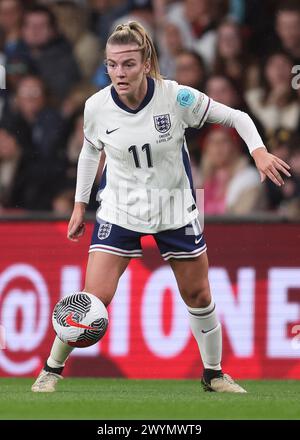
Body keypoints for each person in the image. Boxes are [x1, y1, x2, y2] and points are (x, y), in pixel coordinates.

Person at [31, 21, 290, 393]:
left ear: (147, 62)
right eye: (112, 64)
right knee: (92, 299)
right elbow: (91, 151)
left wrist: (259, 151)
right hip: (121, 207)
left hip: (174, 207)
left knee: (199, 296)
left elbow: (237, 116)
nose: (119, 73)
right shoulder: (97, 107)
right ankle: (50, 371)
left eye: (128, 64)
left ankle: (213, 374)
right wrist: (79, 204)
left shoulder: (176, 98)